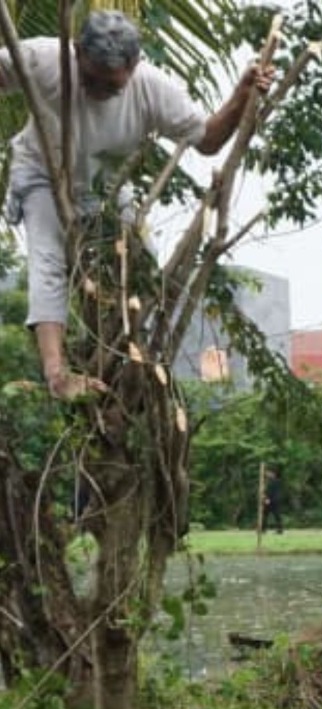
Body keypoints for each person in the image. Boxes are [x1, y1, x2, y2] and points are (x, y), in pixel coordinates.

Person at [0, 11, 273, 400]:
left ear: (134, 66)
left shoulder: (152, 89)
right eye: (91, 79)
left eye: (111, 86)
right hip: (42, 174)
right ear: (76, 52)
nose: (98, 91)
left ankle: (135, 356)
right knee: (48, 261)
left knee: (142, 262)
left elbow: (209, 140)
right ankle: (57, 375)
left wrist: (242, 95)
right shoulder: (44, 59)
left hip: (107, 189)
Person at [260, 466, 284, 534]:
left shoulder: (275, 481)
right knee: (266, 514)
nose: (266, 474)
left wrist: (267, 498)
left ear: (273, 474)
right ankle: (263, 529)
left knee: (275, 515)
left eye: (268, 472)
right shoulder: (271, 481)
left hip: (273, 500)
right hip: (272, 500)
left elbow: (271, 491)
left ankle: (279, 529)